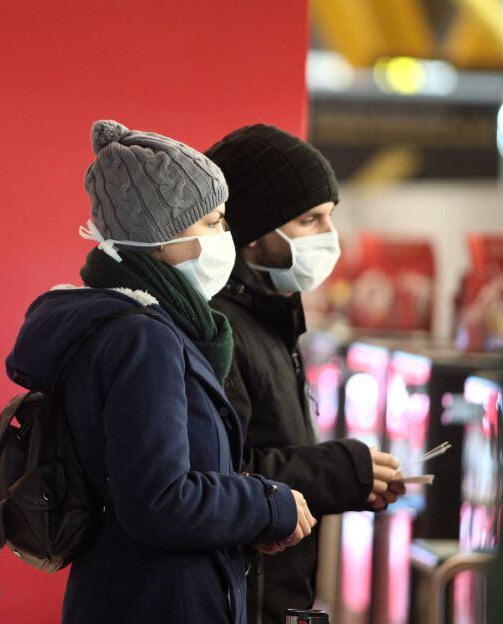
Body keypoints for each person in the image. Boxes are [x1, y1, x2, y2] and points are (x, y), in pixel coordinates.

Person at [5, 119, 316, 624]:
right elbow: (160, 500)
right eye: (212, 222)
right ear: (159, 234)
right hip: (158, 602)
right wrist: (267, 503)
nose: (225, 236)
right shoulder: (142, 338)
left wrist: (244, 522)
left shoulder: (127, 323)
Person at [204, 124, 407, 623]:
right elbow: (219, 474)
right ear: (253, 230)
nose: (329, 237)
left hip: (272, 594)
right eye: (310, 220)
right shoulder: (220, 328)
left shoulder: (268, 318)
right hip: (239, 599)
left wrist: (350, 480)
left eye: (329, 217)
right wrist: (339, 471)